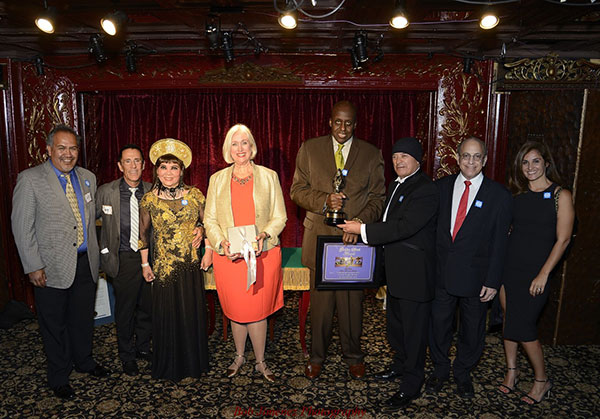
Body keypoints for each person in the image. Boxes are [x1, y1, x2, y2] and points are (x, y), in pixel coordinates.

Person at [338, 137, 438, 408]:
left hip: (415, 276)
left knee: (414, 335)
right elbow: (386, 220)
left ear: (418, 160)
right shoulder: (396, 185)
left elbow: (403, 227)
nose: (398, 161)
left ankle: (411, 385)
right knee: (397, 328)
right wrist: (362, 222)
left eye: (405, 156)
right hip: (396, 274)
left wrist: (361, 230)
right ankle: (400, 366)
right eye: (395, 156)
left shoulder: (426, 189)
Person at [11, 125, 109, 399]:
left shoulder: (88, 177)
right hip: (49, 266)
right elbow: (22, 227)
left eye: (73, 148)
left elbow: (92, 218)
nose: (68, 154)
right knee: (54, 324)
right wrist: (33, 265)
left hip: (86, 263)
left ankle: (84, 361)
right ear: (49, 149)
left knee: (82, 319)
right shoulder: (30, 179)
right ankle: (59, 375)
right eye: (62, 148)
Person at [290, 100, 386, 379]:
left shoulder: (371, 153)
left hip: (353, 244)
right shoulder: (310, 148)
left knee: (352, 307)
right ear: (330, 122)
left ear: (355, 124)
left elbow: (378, 198)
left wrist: (358, 225)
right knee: (320, 308)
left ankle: (354, 356)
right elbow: (297, 190)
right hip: (320, 240)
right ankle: (316, 357)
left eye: (348, 123)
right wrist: (324, 201)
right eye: (338, 122)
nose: (343, 128)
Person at [426, 136, 512, 398]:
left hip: (477, 279)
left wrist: (493, 281)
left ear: (484, 160)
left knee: (472, 331)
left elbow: (500, 243)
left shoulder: (499, 195)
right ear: (457, 158)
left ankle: (463, 372)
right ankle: (440, 369)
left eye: (477, 156)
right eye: (466, 155)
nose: (471, 161)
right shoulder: (440, 188)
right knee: (438, 326)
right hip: (441, 274)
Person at [204, 124, 287, 383]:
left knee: (257, 310)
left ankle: (261, 362)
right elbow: (209, 219)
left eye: (244, 142)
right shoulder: (217, 179)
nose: (240, 148)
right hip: (229, 258)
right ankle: (239, 356)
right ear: (227, 149)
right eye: (234, 143)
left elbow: (280, 216)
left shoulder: (269, 176)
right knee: (236, 309)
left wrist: (265, 235)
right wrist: (221, 243)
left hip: (262, 256)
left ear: (252, 146)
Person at [499, 141, 574, 404]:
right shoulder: (517, 195)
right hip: (510, 268)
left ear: (546, 163)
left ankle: (542, 381)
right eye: (525, 162)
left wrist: (543, 274)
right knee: (509, 320)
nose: (530, 167)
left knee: (525, 327)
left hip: (537, 273)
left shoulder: (560, 195)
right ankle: (512, 372)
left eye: (535, 161)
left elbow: (563, 240)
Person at [139, 138, 212, 381]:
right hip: (164, 267)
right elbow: (142, 234)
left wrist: (206, 242)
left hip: (190, 265)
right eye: (163, 167)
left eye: (174, 167)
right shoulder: (149, 199)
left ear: (182, 171)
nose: (168, 172)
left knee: (190, 313)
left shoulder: (195, 194)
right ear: (156, 170)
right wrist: (145, 264)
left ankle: (193, 364)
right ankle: (169, 365)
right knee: (167, 315)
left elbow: (209, 223)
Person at [96, 144, 152, 376]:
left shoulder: (152, 190)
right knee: (126, 310)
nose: (133, 166)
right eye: (128, 161)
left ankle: (143, 347)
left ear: (144, 165)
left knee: (147, 307)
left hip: (149, 258)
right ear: (120, 166)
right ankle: (127, 355)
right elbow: (89, 222)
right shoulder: (106, 192)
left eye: (137, 160)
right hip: (123, 258)